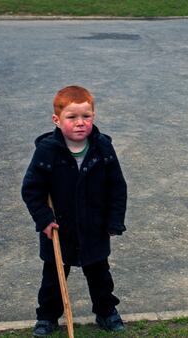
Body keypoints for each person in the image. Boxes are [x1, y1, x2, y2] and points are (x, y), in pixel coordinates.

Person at [22, 85, 128, 336]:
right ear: (57, 120)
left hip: (94, 226)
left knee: (100, 275)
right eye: (72, 117)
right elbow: (32, 189)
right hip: (59, 228)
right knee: (53, 278)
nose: (80, 123)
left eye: (86, 116)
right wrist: (45, 220)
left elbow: (117, 186)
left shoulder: (102, 148)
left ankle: (106, 312)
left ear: (93, 116)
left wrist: (114, 221)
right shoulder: (48, 151)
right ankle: (47, 317)